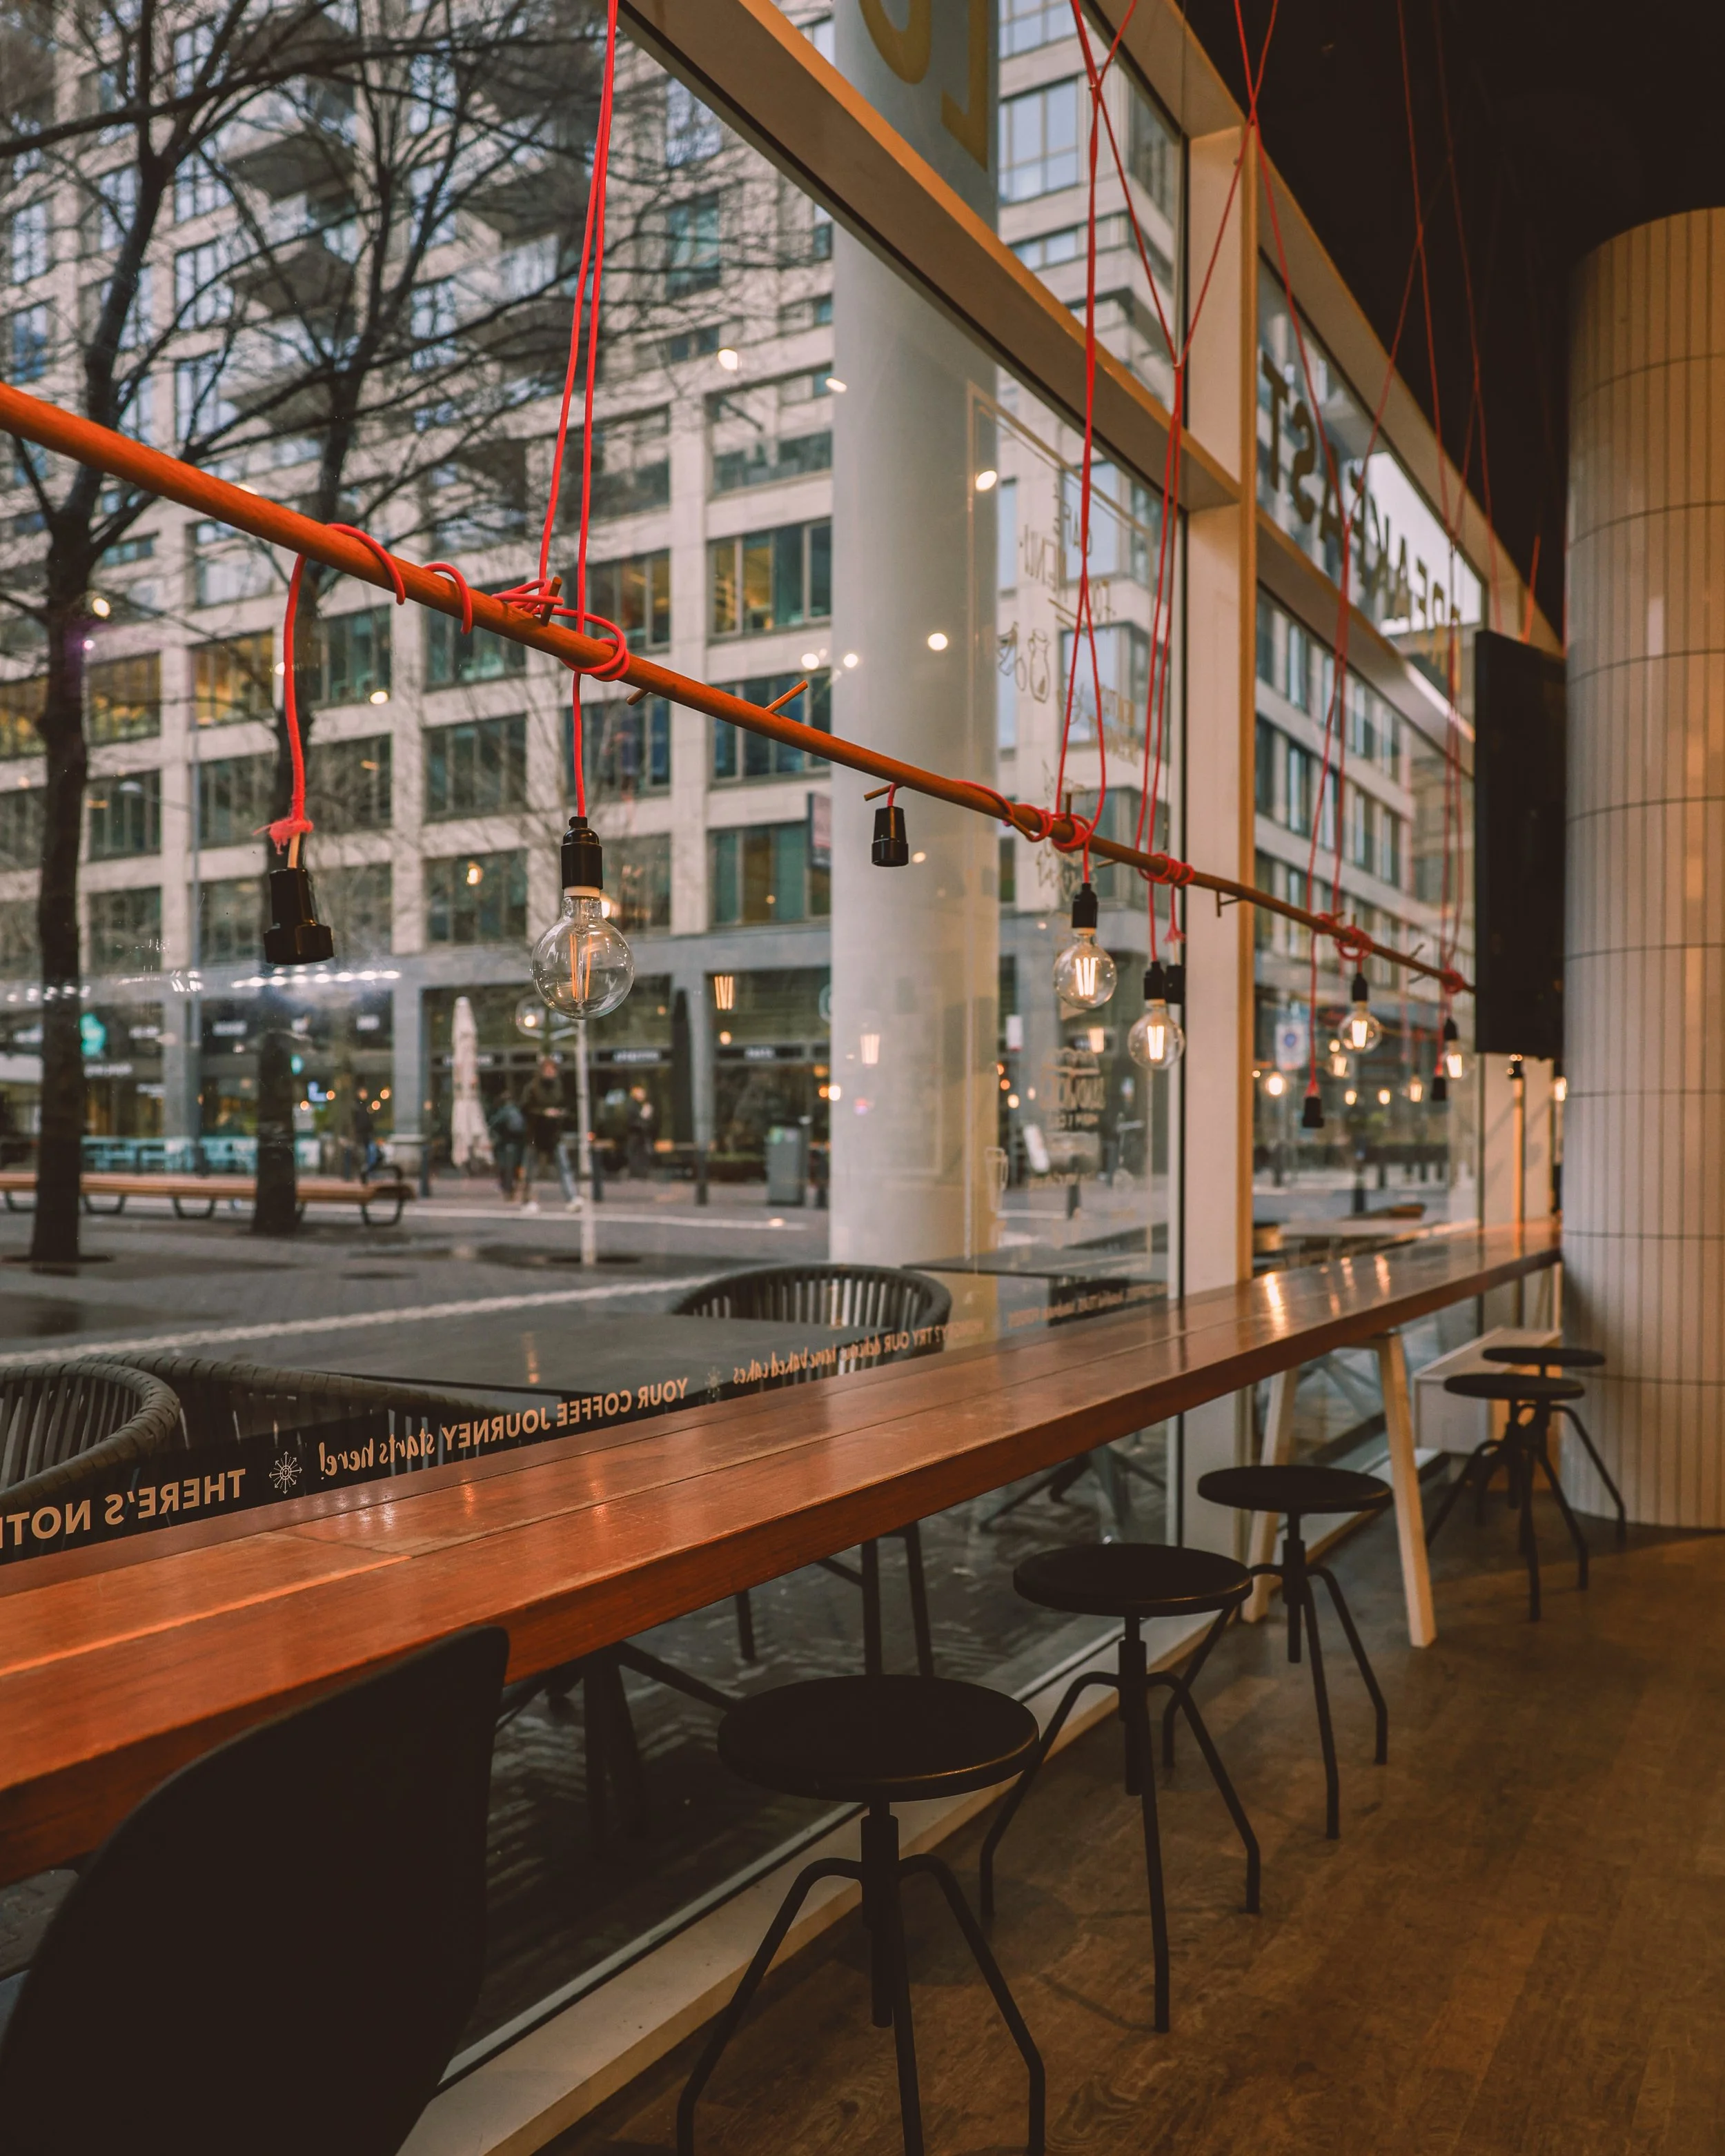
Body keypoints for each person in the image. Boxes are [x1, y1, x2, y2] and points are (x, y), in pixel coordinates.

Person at [519, 1056, 569, 1211]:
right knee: (530, 1169)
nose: (550, 1073)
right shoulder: (533, 1088)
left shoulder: (558, 1087)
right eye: (547, 1070)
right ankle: (527, 1201)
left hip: (554, 1134)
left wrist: (560, 1113)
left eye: (552, 1070)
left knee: (564, 1166)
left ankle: (572, 1198)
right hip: (535, 1133)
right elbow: (525, 1108)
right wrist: (544, 1113)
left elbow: (565, 1104)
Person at [488, 1090, 526, 1200]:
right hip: (518, 1143)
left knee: (505, 1167)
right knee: (515, 1166)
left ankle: (508, 1190)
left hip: (506, 1143)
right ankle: (514, 1187)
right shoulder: (517, 1110)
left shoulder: (504, 1111)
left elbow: (493, 1123)